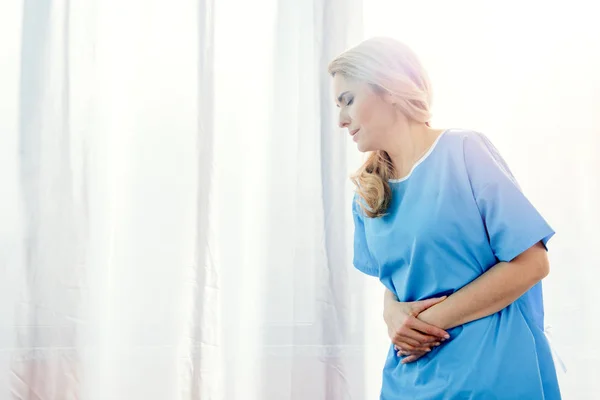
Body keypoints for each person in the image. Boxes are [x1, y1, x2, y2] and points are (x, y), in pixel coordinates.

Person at [328, 37, 561, 399]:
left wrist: (426, 322)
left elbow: (531, 262)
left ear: (388, 88)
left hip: (490, 373)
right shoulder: (368, 193)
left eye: (348, 101)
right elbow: (399, 279)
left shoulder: (464, 152)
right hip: (410, 379)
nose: (341, 120)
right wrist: (391, 313)